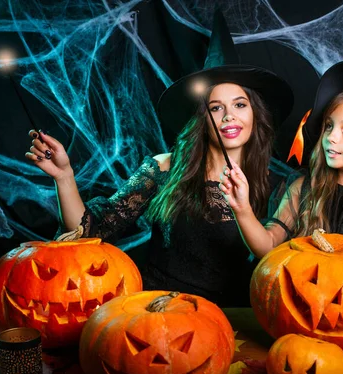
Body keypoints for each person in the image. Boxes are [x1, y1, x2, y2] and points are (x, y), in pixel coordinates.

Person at [24, 10, 294, 306]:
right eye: (216, 108)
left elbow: (272, 259)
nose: (229, 115)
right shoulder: (164, 167)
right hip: (157, 314)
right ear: (202, 119)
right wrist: (64, 177)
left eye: (240, 104)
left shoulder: (280, 185)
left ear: (256, 113)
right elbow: (91, 229)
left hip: (234, 322)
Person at [221, 61, 343, 290]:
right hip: (306, 306)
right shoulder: (303, 189)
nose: (331, 137)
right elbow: (267, 246)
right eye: (329, 126)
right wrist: (242, 209)